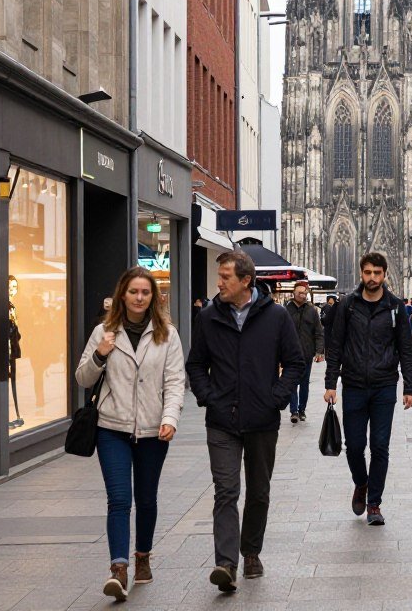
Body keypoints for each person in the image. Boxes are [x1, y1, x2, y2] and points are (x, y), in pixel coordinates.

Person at [187, 251, 305, 592]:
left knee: (258, 491)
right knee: (226, 491)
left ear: (245, 281)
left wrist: (276, 398)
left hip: (262, 418)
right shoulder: (209, 317)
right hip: (222, 419)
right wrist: (208, 396)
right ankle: (226, 563)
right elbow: (196, 363)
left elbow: (295, 362)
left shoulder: (276, 316)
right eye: (219, 276)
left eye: (225, 277)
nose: (218, 283)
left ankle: (251, 551)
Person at [75, 267, 186, 601]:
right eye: (134, 292)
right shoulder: (103, 333)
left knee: (147, 498)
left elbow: (175, 381)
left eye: (146, 293)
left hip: (154, 429)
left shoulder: (167, 334)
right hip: (112, 427)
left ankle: (143, 557)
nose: (139, 298)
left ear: (154, 297)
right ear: (122, 294)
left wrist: (170, 418)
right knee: (119, 499)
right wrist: (100, 354)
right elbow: (82, 378)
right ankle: (118, 568)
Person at [324, 252, 412, 526]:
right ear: (361, 274)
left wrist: (409, 386)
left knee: (380, 447)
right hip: (353, 384)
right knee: (353, 446)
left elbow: (406, 349)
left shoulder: (396, 307)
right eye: (368, 273)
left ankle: (374, 504)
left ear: (384, 275)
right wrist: (331, 382)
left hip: (384, 386)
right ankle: (361, 484)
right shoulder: (348, 306)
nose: (372, 278)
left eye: (377, 273)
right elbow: (336, 345)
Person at [285, 280, 325, 424]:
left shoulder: (311, 311)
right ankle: (294, 411)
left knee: (304, 383)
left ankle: (302, 409)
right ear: (294, 293)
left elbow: (319, 332)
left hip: (307, 353)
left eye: (305, 293)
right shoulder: (286, 310)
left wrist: (319, 351)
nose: (303, 295)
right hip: (289, 353)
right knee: (292, 382)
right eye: (300, 293)